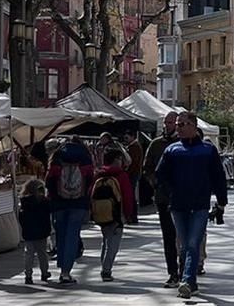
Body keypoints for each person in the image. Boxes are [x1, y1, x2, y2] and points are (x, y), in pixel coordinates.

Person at [157, 110, 228, 298]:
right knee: (183, 244)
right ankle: (190, 282)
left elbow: (218, 177)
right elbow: (160, 175)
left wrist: (221, 203)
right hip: (178, 204)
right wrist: (169, 192)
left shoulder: (207, 150)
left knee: (193, 242)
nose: (177, 128)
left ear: (194, 127)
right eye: (176, 125)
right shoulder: (172, 150)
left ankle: (187, 280)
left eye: (181, 124)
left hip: (199, 204)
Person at [46, 133, 95, 285]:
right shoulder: (86, 157)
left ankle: (61, 267)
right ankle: (66, 272)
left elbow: (49, 180)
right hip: (79, 204)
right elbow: (91, 182)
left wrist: (54, 196)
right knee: (72, 236)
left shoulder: (57, 156)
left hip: (59, 204)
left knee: (60, 236)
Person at [143, 114, 181, 288]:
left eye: (171, 122)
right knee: (168, 236)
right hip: (163, 197)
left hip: (184, 197)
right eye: (166, 122)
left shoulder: (185, 143)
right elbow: (147, 167)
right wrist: (154, 182)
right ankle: (173, 272)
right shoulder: (156, 144)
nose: (167, 125)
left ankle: (186, 270)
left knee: (185, 238)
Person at [91, 143, 137, 281]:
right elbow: (128, 195)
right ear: (118, 160)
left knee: (105, 241)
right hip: (117, 214)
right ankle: (106, 270)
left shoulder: (98, 174)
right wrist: (128, 213)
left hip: (101, 213)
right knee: (113, 243)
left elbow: (91, 193)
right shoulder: (121, 175)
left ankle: (104, 266)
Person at [17, 177, 53, 284]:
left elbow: (21, 218)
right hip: (42, 232)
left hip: (28, 233)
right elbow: (48, 214)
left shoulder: (24, 203)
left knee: (29, 254)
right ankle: (44, 272)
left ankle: (28, 275)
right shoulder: (44, 202)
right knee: (42, 254)